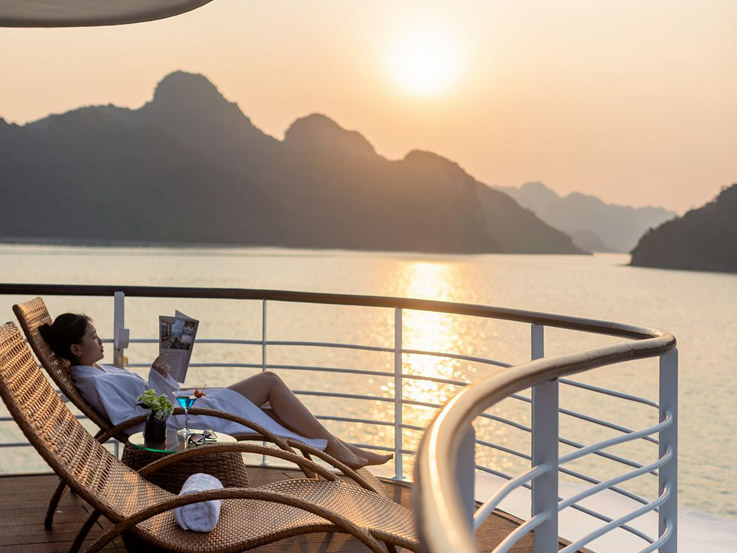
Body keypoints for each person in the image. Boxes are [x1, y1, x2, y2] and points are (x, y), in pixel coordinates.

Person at [39, 313, 392, 469]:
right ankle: (337, 449)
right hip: (188, 423)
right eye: (93, 337)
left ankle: (340, 447)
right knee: (269, 381)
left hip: (187, 408)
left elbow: (143, 402)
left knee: (270, 411)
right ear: (75, 348)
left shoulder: (98, 371)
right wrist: (158, 381)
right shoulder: (93, 382)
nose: (101, 341)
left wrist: (163, 378)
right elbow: (134, 423)